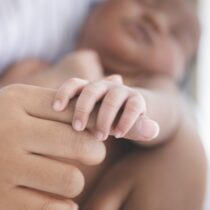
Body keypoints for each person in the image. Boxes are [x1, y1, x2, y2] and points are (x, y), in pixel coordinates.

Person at [0, 0, 207, 210]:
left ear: (179, 73)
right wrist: (55, 78)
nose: (156, 20)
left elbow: (169, 112)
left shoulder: (148, 86)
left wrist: (137, 103)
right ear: (93, 11)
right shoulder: (34, 66)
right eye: (144, 2)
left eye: (176, 33)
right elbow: (7, 109)